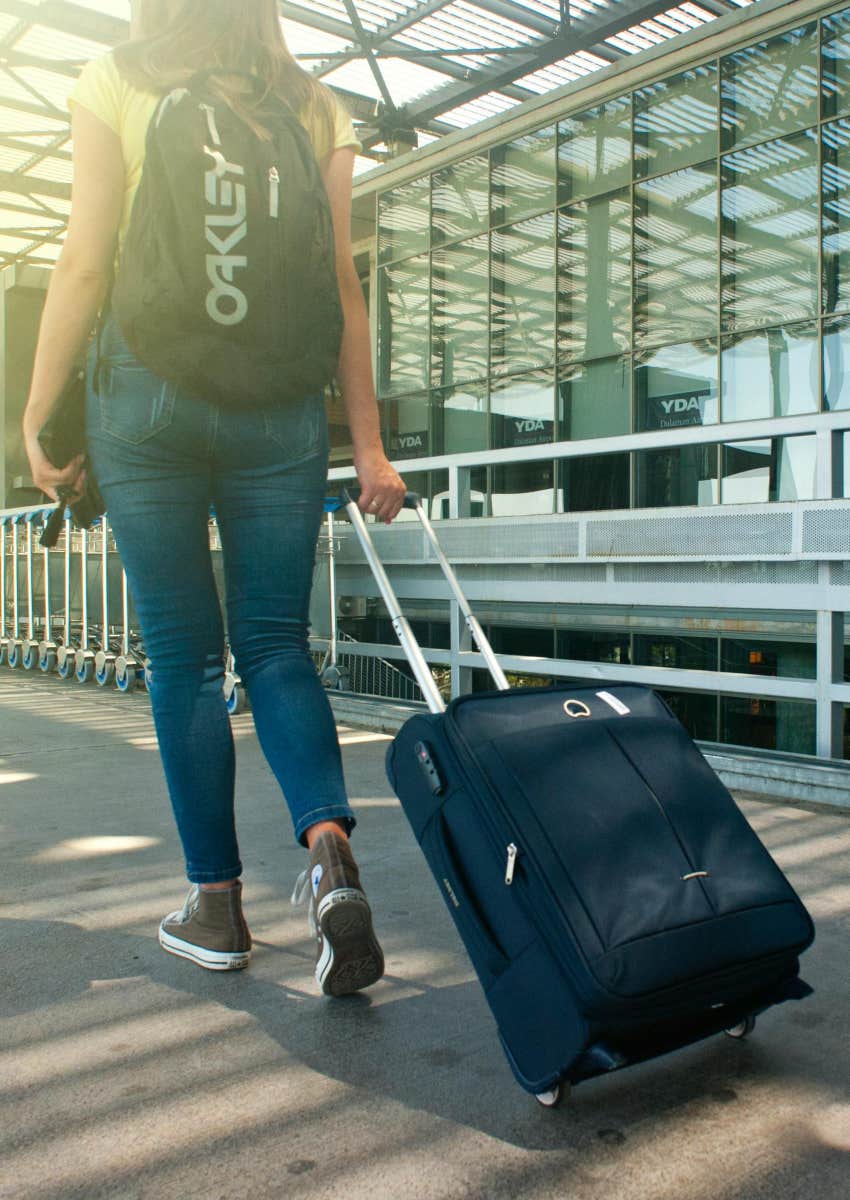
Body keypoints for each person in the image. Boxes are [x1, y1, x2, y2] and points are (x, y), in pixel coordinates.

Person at [22, 0, 406, 996]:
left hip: (145, 398)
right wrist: (367, 445)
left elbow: (85, 256)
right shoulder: (314, 106)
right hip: (279, 411)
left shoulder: (121, 78)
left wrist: (32, 414)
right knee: (275, 643)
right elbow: (341, 286)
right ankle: (328, 855)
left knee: (183, 659)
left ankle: (217, 906)